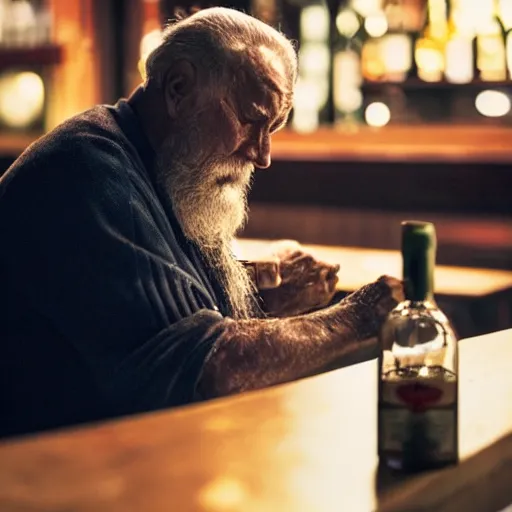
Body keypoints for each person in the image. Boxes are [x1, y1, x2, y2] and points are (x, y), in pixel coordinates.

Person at [0, 7, 403, 438]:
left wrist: (260, 295)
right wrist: (361, 316)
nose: (262, 154)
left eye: (274, 128)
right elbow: (211, 369)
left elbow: (160, 326)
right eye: (250, 120)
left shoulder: (169, 170)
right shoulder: (87, 172)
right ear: (178, 89)